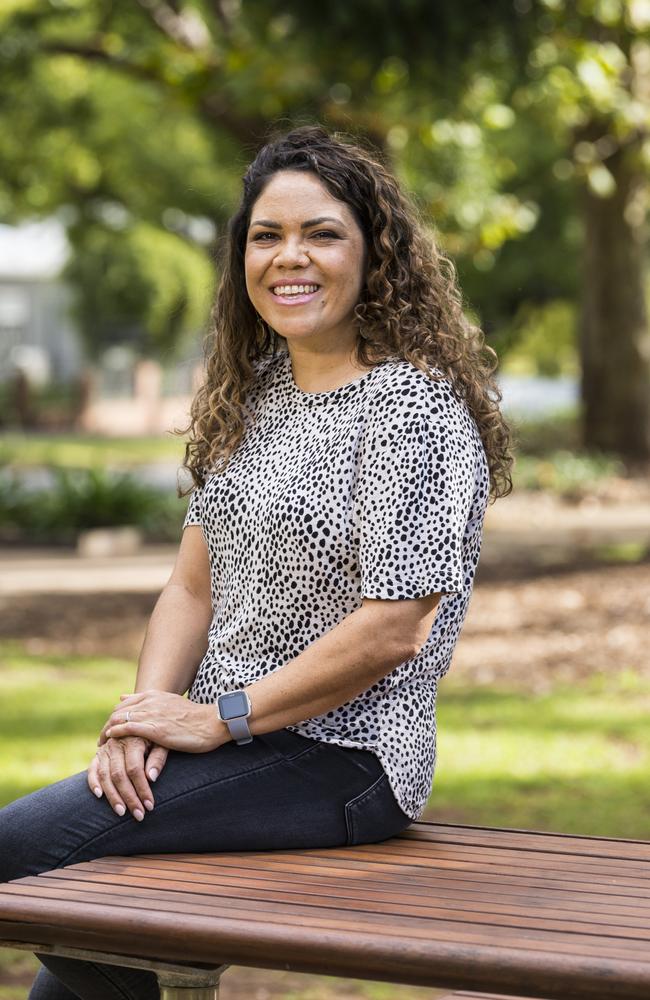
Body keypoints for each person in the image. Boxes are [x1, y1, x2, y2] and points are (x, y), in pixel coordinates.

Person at [0, 124, 512, 1000]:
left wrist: (221, 719)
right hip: (222, 741)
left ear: (375, 253)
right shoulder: (258, 392)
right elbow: (189, 586)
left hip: (343, 760)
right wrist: (144, 714)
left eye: (322, 233)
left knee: (23, 845)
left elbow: (395, 628)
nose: (289, 258)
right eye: (266, 235)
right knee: (88, 934)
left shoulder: (413, 410)